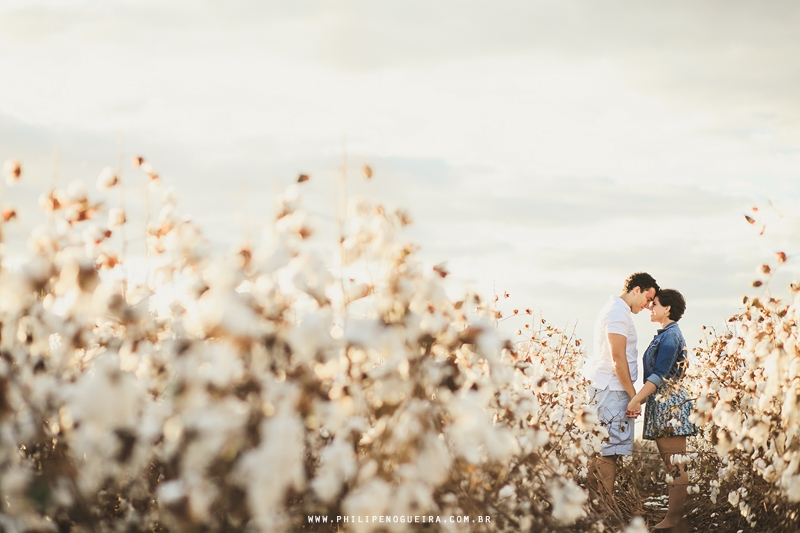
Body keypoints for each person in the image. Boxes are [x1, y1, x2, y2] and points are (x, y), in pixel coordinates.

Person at [583, 272, 659, 506]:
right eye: (648, 298)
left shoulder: (617, 310)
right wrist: (633, 395)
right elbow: (618, 359)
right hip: (612, 389)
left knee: (600, 450)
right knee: (608, 452)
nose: (648, 305)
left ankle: (595, 508)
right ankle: (605, 509)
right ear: (636, 289)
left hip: (605, 387)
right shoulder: (617, 313)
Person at [626, 289, 697, 530]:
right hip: (664, 402)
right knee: (672, 464)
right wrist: (640, 399)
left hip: (671, 404)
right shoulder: (667, 334)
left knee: (676, 464)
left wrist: (636, 400)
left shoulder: (671, 336)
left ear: (667, 308)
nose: (650, 307)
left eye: (654, 304)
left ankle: (673, 520)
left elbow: (660, 375)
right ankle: (672, 518)